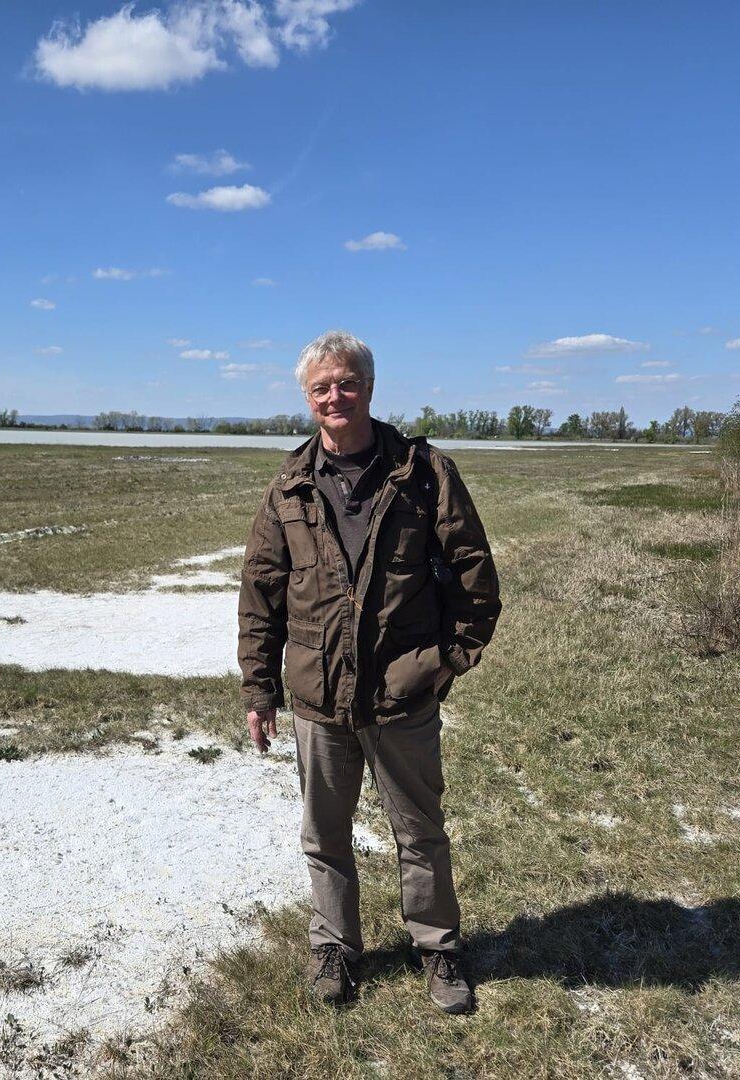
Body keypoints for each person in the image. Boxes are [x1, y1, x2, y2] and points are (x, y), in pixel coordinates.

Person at [237, 330, 501, 1013]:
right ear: (307, 397)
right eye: (322, 387)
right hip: (319, 701)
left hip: (402, 696)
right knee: (324, 837)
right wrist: (260, 688)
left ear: (370, 388)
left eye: (347, 383)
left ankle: (439, 949)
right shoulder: (290, 485)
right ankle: (335, 947)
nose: (336, 396)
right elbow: (261, 591)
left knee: (420, 833)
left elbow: (476, 579)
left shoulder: (424, 473)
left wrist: (445, 663)